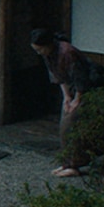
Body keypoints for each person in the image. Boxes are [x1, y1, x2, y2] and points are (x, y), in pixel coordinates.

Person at [30, 27, 89, 178]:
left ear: (48, 44)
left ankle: (74, 164)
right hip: (70, 89)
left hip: (86, 88)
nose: (39, 52)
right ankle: (67, 162)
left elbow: (80, 77)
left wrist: (77, 99)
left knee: (70, 124)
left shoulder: (67, 52)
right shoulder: (48, 54)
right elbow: (58, 76)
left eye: (40, 49)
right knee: (64, 124)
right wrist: (67, 97)